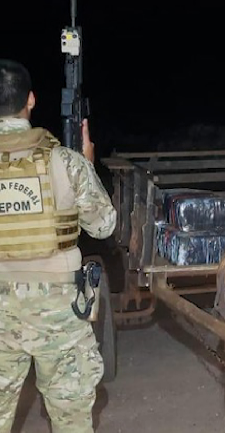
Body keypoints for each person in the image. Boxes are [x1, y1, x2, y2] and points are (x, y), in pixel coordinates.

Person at [0, 59, 116, 432]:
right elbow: (103, 225)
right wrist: (87, 164)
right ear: (30, 100)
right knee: (71, 422)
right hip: (59, 314)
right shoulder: (65, 163)